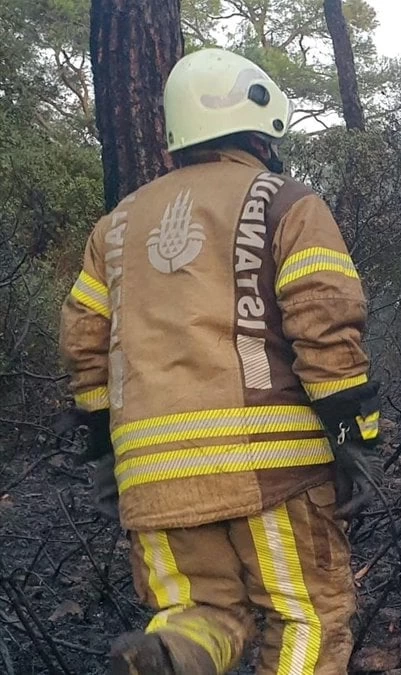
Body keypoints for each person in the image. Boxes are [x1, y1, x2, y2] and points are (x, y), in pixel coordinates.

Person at [60, 47, 383, 675]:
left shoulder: (113, 229)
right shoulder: (286, 202)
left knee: (200, 614)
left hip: (150, 476)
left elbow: (84, 344)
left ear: (176, 141)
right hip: (270, 468)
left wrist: (105, 453)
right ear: (263, 131)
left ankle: (169, 654)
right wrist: (354, 437)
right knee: (307, 618)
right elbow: (326, 321)